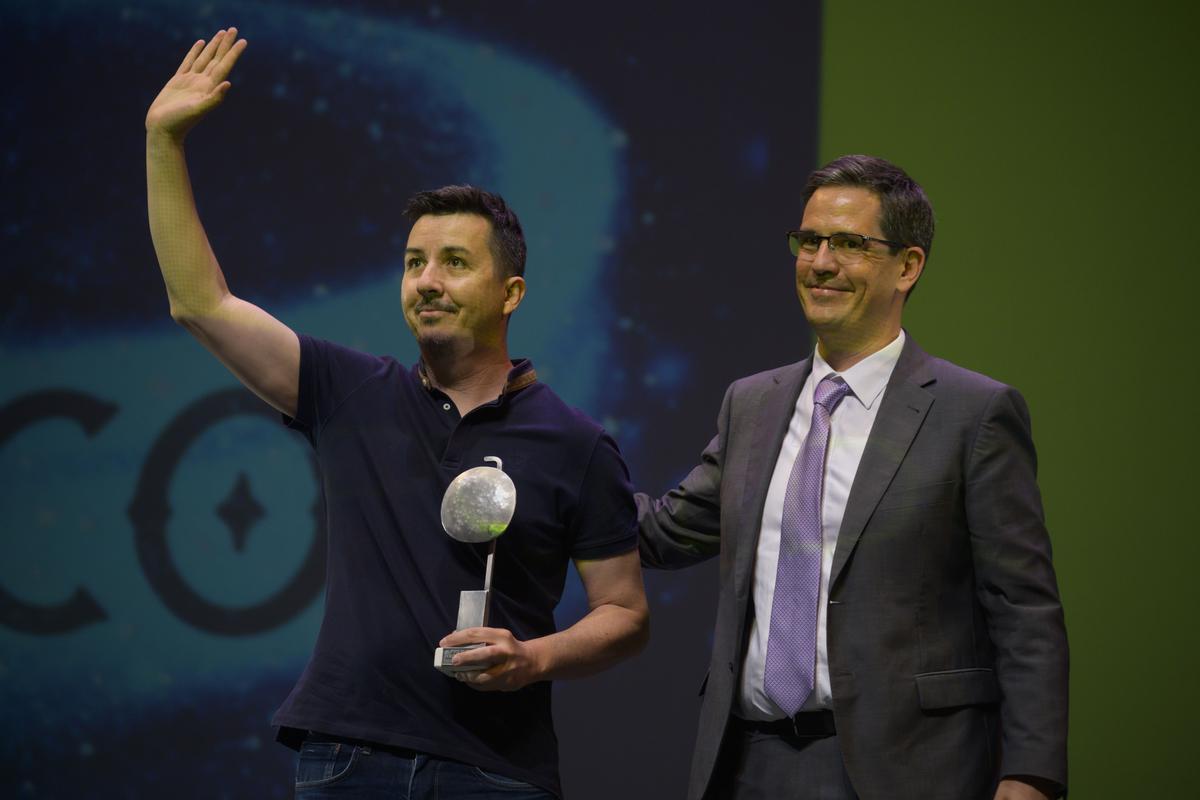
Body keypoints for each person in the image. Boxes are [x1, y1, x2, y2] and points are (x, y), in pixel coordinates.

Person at [145, 29, 648, 798]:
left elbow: (623, 611)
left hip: (495, 771)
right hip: (348, 757)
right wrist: (162, 142)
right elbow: (201, 304)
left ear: (511, 293)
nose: (427, 282)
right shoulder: (348, 390)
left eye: (455, 263)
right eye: (414, 262)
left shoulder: (576, 444)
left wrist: (534, 658)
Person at [637, 154, 1068, 800]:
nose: (820, 262)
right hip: (747, 764)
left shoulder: (972, 414)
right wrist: (543, 466)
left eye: (849, 244)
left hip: (904, 769)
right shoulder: (751, 405)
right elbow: (664, 532)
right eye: (809, 241)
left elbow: (1024, 610)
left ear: (908, 266)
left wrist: (1030, 774)